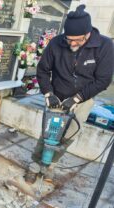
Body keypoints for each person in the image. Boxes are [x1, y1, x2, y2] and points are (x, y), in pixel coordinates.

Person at [24, 4, 114, 184]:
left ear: (88, 34)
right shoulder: (57, 43)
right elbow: (42, 70)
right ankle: (35, 165)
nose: (72, 43)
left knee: (67, 136)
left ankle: (50, 166)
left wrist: (77, 98)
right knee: (49, 133)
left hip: (83, 99)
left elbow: (103, 80)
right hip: (56, 97)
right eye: (69, 39)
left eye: (77, 40)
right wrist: (48, 93)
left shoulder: (104, 46)